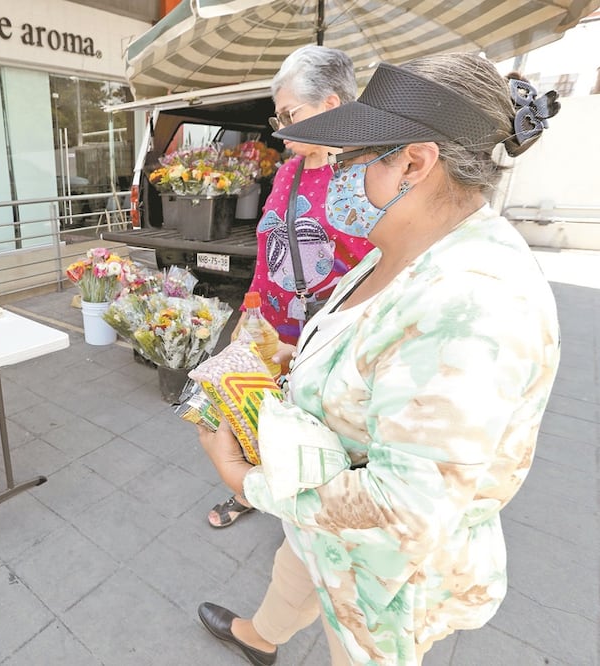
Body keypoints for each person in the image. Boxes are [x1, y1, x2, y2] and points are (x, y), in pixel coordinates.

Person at [196, 53, 561, 664]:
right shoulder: (399, 245)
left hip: (386, 580)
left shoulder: (472, 304)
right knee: (296, 567)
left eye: (350, 160)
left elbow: (403, 509)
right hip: (326, 532)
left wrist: (248, 483)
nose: (334, 175)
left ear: (414, 164)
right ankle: (261, 639)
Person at [206, 45, 373, 528]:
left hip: (329, 342)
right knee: (258, 414)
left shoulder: (370, 175)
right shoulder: (288, 172)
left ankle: (307, 510)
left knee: (315, 437)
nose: (280, 130)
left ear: (331, 106)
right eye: (277, 118)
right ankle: (252, 486)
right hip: (272, 328)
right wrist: (248, 318)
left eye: (288, 115)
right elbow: (268, 248)